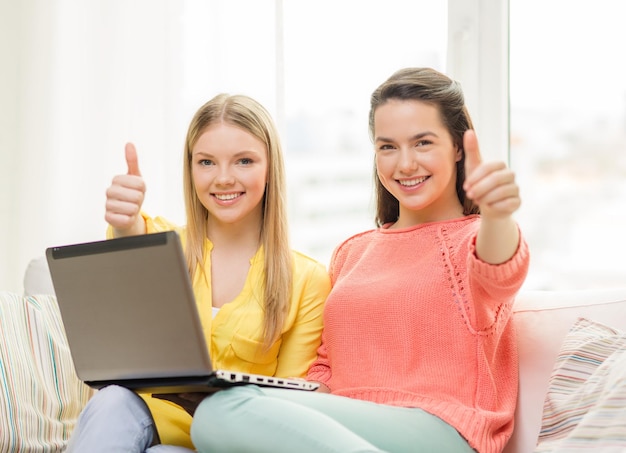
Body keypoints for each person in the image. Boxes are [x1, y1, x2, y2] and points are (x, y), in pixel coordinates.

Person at [188, 67, 530, 453]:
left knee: (222, 412)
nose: (404, 164)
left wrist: (499, 214)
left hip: (443, 432)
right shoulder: (353, 253)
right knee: (222, 411)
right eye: (387, 147)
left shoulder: (472, 240)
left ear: (457, 148)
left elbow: (501, 272)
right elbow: (325, 372)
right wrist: (271, 398)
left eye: (422, 143)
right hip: (348, 428)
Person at [66, 94, 331, 452]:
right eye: (206, 162)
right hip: (143, 418)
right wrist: (125, 224)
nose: (223, 178)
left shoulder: (307, 279)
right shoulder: (162, 247)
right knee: (112, 400)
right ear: (191, 170)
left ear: (270, 169)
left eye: (244, 161)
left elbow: (288, 410)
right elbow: (133, 240)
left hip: (228, 440)